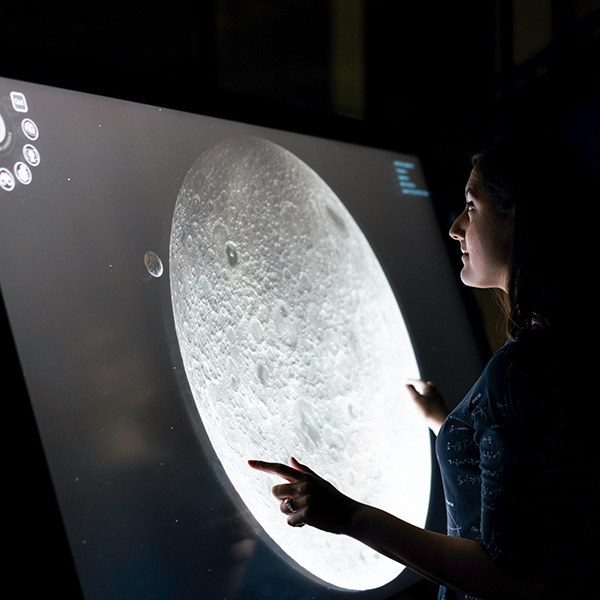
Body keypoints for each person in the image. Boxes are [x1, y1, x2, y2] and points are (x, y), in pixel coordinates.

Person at [249, 134, 599, 599]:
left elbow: (509, 580)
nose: (456, 227)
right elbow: (533, 484)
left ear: (519, 216)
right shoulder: (565, 346)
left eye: (471, 207)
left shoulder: (523, 370)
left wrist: (348, 515)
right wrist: (447, 421)